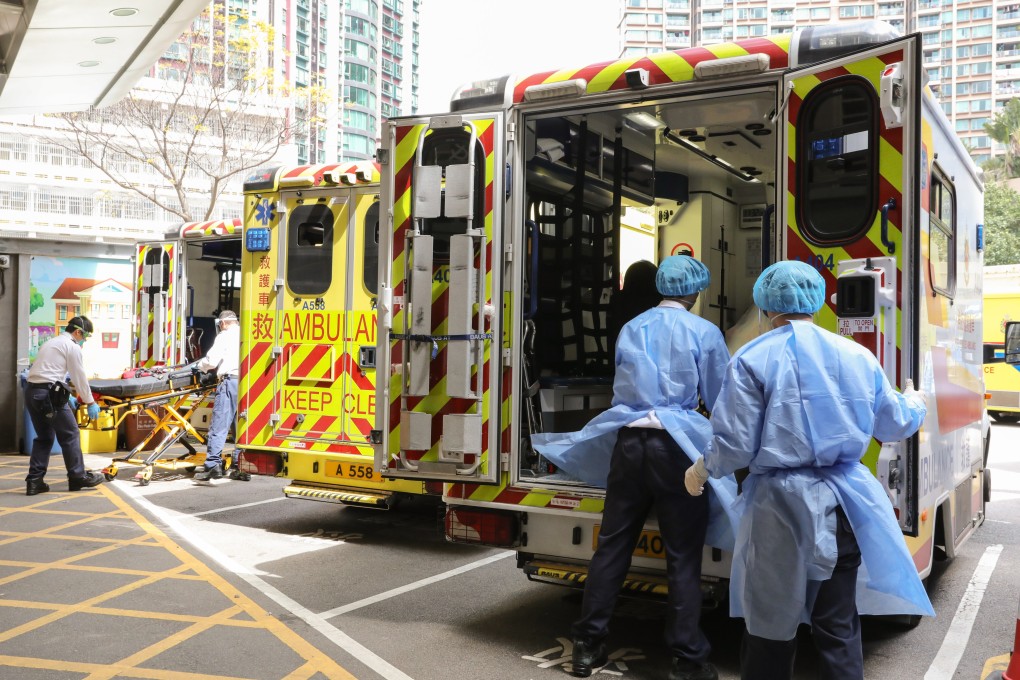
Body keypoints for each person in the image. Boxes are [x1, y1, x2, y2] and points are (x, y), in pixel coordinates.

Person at [685, 260, 933, 680]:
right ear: (817, 303)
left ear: (765, 305)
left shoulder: (749, 358)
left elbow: (735, 445)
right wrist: (917, 401)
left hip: (776, 510)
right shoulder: (857, 355)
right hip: (843, 506)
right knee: (837, 625)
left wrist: (702, 468)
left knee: (768, 626)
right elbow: (893, 423)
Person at [533, 255, 736, 680]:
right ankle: (687, 658)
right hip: (676, 448)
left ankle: (588, 646)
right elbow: (721, 401)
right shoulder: (705, 332)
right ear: (695, 292)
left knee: (612, 545)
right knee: (682, 556)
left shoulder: (633, 326)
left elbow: (623, 385)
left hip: (628, 444)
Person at [23, 315, 105, 495]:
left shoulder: (51, 343)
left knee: (44, 437)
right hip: (49, 395)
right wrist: (90, 402)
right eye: (85, 337)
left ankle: (35, 481)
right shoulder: (72, 347)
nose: (84, 341)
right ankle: (77, 477)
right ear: (78, 332)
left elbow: (49, 373)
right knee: (71, 434)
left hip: (32, 392)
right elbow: (79, 377)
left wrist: (67, 398)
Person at [193, 310, 240, 482]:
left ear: (223, 323)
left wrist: (200, 366)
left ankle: (213, 466)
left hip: (229, 383)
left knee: (219, 425)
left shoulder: (224, 336)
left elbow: (212, 361)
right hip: (246, 384)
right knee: (241, 427)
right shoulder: (246, 333)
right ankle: (241, 466)